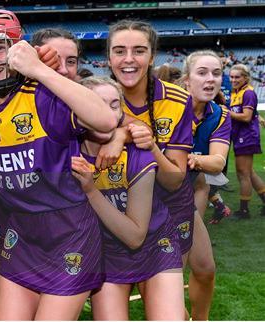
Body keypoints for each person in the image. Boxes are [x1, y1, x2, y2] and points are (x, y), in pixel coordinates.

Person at [0, 9, 118, 320]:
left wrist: (39, 70)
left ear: (19, 50)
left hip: (69, 231)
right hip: (21, 232)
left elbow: (106, 120)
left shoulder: (42, 95)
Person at [71, 76, 184, 320]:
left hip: (155, 245)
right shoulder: (66, 153)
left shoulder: (137, 153)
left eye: (114, 105)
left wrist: (91, 190)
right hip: (104, 254)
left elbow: (135, 237)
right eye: (97, 104)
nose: (108, 114)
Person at [104, 20, 195, 259]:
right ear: (109, 56)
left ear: (152, 56)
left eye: (139, 51)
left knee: (200, 271)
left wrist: (150, 145)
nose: (129, 59)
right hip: (114, 212)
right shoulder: (92, 97)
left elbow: (175, 180)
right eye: (119, 51)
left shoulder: (177, 100)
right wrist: (121, 134)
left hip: (168, 209)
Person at [180, 50, 231, 320]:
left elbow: (217, 162)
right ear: (187, 79)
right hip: (148, 200)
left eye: (216, 73)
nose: (211, 79)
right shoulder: (168, 106)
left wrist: (188, 158)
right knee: (167, 276)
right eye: (202, 73)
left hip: (184, 195)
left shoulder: (220, 113)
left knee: (205, 269)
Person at [228, 64, 265, 218]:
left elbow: (246, 116)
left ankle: (244, 211)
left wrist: (226, 112)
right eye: (231, 76)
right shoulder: (237, 92)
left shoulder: (248, 93)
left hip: (247, 136)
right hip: (241, 136)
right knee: (248, 172)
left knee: (243, 173)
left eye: (237, 77)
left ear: (245, 77)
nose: (233, 80)